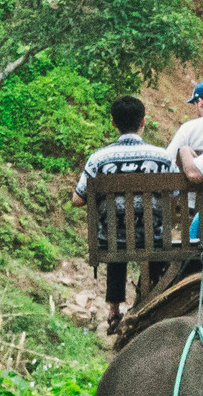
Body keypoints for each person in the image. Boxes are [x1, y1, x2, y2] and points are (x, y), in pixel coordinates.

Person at [74, 94, 176, 334]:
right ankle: (150, 297)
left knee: (116, 236)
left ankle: (114, 310)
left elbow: (78, 199)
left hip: (112, 240)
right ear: (143, 122)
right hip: (154, 238)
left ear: (113, 123)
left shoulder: (99, 159)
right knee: (148, 235)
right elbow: (175, 194)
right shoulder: (161, 156)